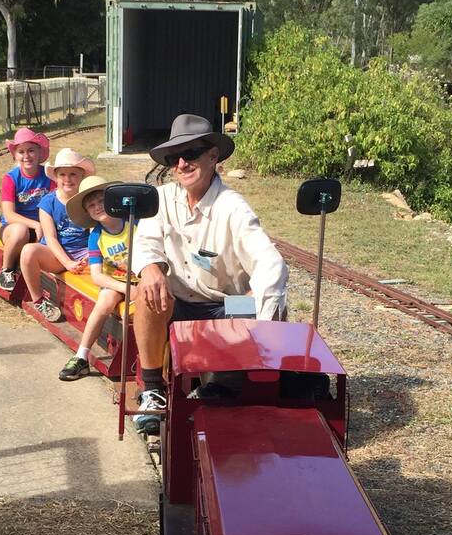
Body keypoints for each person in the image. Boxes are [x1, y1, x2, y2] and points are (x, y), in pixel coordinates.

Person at [131, 113, 289, 434]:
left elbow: (271, 264)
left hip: (225, 305)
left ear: (213, 156)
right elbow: (145, 241)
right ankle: (153, 389)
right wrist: (150, 269)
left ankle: (234, 381)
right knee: (146, 292)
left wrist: (259, 312)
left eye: (190, 154)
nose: (182, 164)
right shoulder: (161, 199)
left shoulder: (233, 207)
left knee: (229, 386)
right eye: (174, 157)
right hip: (179, 302)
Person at [57, 175, 138, 381]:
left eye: (102, 201)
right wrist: (126, 288)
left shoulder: (134, 222)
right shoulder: (96, 236)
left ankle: (142, 359)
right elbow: (97, 276)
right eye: (91, 205)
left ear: (113, 200)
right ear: (87, 212)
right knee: (105, 301)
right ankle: (81, 356)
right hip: (116, 281)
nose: (98, 207)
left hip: (143, 276)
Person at [19, 148, 95, 321]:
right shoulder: (48, 202)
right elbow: (51, 238)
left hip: (84, 252)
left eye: (73, 174)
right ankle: (38, 300)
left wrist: (92, 254)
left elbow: (94, 231)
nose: (68, 179)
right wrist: (67, 262)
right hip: (56, 254)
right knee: (28, 251)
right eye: (62, 174)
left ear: (82, 176)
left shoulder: (88, 199)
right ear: (56, 177)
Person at [0, 127, 53, 290]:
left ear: (39, 152)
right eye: (21, 151)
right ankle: (6, 270)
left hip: (42, 225)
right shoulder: (10, 178)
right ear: (15, 155)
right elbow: (9, 214)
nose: (26, 156)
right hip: (13, 228)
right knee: (20, 231)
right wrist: (35, 225)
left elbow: (54, 205)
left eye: (31, 150)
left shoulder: (48, 176)